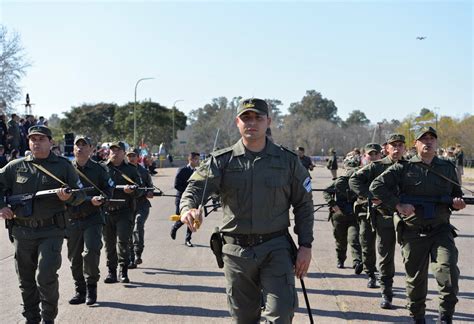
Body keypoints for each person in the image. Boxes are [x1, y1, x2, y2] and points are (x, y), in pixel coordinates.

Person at [179, 98, 314, 323]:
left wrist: (305, 246)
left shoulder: (288, 161)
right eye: (246, 118)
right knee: (244, 318)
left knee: (281, 314)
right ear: (237, 122)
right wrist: (188, 209)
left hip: (276, 248)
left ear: (268, 121)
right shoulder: (222, 161)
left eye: (258, 118)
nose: (252, 123)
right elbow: (194, 188)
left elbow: (304, 205)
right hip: (236, 252)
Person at [370, 126, 465, 324]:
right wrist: (397, 204)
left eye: (432, 139)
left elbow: (456, 195)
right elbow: (376, 186)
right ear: (416, 144)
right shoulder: (403, 167)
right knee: (415, 281)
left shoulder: (447, 167)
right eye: (424, 139)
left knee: (448, 273)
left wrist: (458, 203)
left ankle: (445, 316)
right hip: (413, 233)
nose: (428, 142)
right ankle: (417, 317)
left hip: (441, 230)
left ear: (436, 143)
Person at [0, 125, 85, 324]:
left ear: (50, 142)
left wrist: (68, 198)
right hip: (22, 231)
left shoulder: (63, 166)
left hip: (51, 230)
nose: (36, 143)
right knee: (26, 280)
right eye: (33, 139)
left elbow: (80, 194)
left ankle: (48, 319)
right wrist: (2, 205)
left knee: (45, 276)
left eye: (41, 139)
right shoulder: (16, 166)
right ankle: (31, 318)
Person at [349, 134, 406, 309]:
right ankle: (386, 292)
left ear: (405, 148)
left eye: (400, 145)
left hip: (409, 218)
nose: (396, 148)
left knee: (412, 258)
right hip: (384, 217)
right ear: (386, 148)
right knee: (385, 256)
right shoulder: (376, 167)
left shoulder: (412, 166)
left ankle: (414, 294)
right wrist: (372, 196)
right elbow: (354, 180)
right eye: (393, 145)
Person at [66, 135, 114, 306]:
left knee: (91, 252)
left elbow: (109, 189)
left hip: (93, 217)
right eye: (77, 145)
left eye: (84, 145)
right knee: (74, 258)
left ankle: (91, 288)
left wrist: (102, 199)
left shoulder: (99, 169)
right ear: (73, 149)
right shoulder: (66, 168)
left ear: (91, 149)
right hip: (72, 218)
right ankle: (80, 290)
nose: (80, 148)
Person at [102, 141, 142, 284]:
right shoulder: (102, 168)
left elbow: (139, 190)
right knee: (109, 244)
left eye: (118, 150)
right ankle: (111, 272)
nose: (114, 152)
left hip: (124, 211)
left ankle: (123, 270)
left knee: (123, 241)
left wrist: (131, 190)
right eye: (112, 150)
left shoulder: (131, 169)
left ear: (123, 153)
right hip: (106, 211)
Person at [348, 143, 382, 290]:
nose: (373, 157)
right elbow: (344, 185)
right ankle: (371, 274)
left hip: (384, 211)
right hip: (364, 211)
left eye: (376, 154)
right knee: (366, 243)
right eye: (370, 154)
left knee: (384, 246)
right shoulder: (358, 172)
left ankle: (385, 276)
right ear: (364, 156)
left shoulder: (386, 169)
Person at [322, 158, 363, 274]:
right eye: (349, 169)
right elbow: (326, 191)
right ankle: (340, 259)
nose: (351, 171)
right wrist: (333, 204)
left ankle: (357, 262)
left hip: (353, 216)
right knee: (340, 240)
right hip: (339, 215)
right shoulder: (339, 181)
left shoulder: (359, 182)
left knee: (354, 238)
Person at [126, 148, 154, 268]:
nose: (131, 158)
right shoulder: (123, 170)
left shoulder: (143, 171)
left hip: (142, 204)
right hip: (127, 205)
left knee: (138, 225)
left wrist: (149, 192)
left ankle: (138, 254)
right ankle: (131, 258)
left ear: (138, 157)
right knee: (127, 231)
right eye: (129, 156)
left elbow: (150, 186)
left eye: (134, 156)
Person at [170, 152, 200, 247]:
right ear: (190, 159)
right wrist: (187, 192)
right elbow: (176, 185)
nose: (198, 161)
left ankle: (188, 239)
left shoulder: (197, 172)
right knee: (182, 218)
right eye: (196, 159)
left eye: (198, 159)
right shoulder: (182, 170)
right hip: (181, 199)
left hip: (193, 200)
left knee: (191, 218)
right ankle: (174, 228)